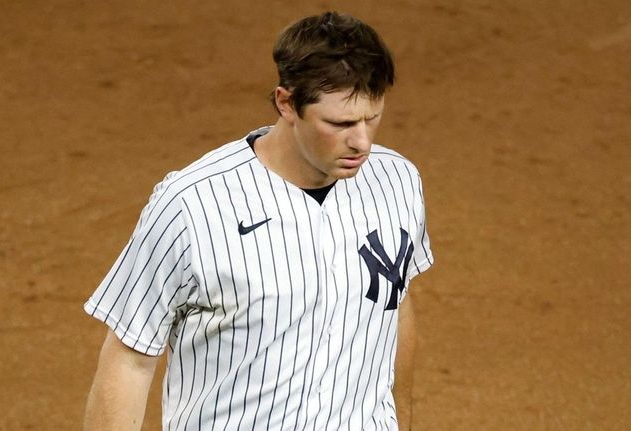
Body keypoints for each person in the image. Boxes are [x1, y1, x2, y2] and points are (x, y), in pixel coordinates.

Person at [83, 11, 433, 431]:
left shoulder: (397, 181)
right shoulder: (193, 205)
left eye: (371, 118)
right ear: (287, 103)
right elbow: (130, 359)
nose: (362, 141)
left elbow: (396, 306)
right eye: (340, 123)